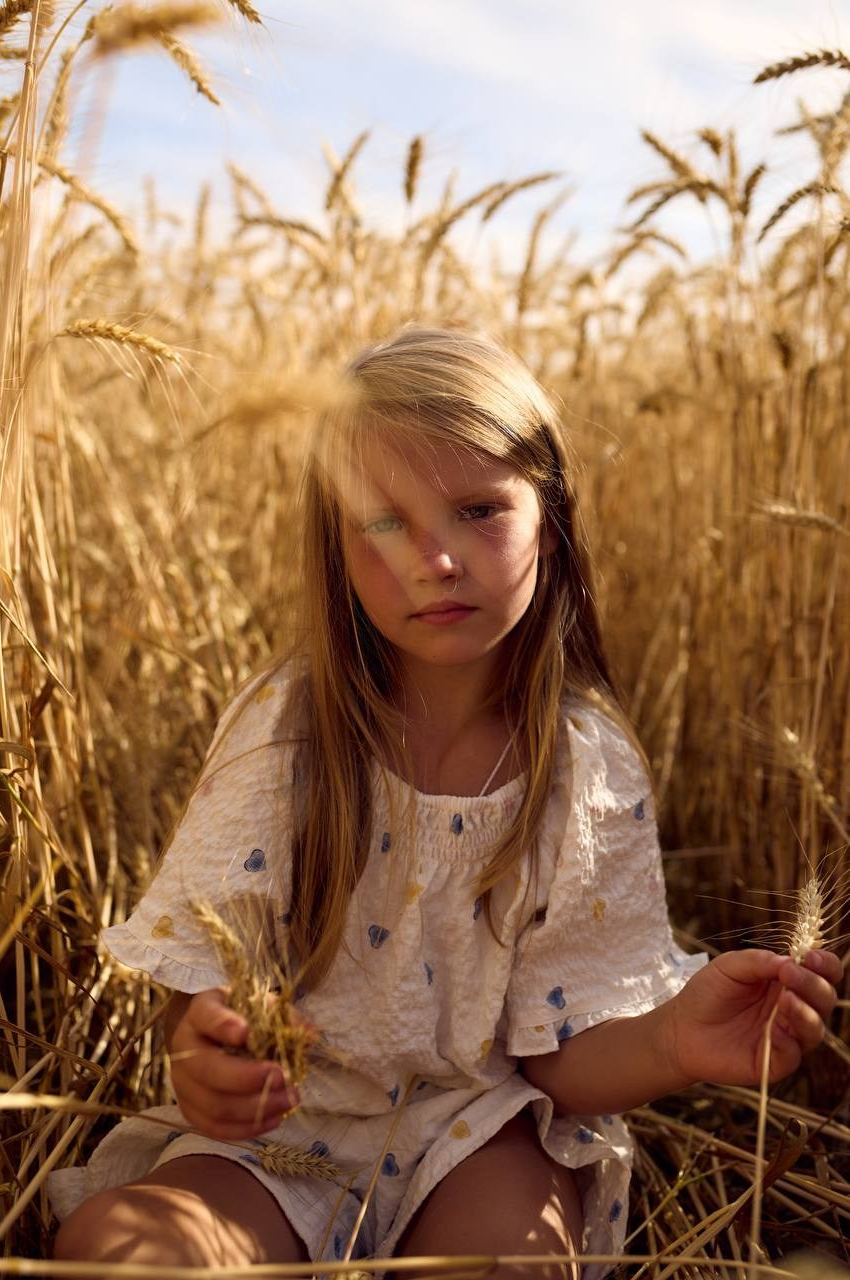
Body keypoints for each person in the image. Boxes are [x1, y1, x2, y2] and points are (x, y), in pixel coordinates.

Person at [51, 328, 840, 1279]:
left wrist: (673, 1040)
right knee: (117, 1254)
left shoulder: (582, 768)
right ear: (334, 546)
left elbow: (560, 1058)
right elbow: (205, 980)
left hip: (484, 1131)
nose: (435, 559)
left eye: (476, 510)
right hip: (279, 1133)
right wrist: (204, 1058)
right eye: (384, 522)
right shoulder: (286, 732)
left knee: (512, 1265)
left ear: (550, 516)